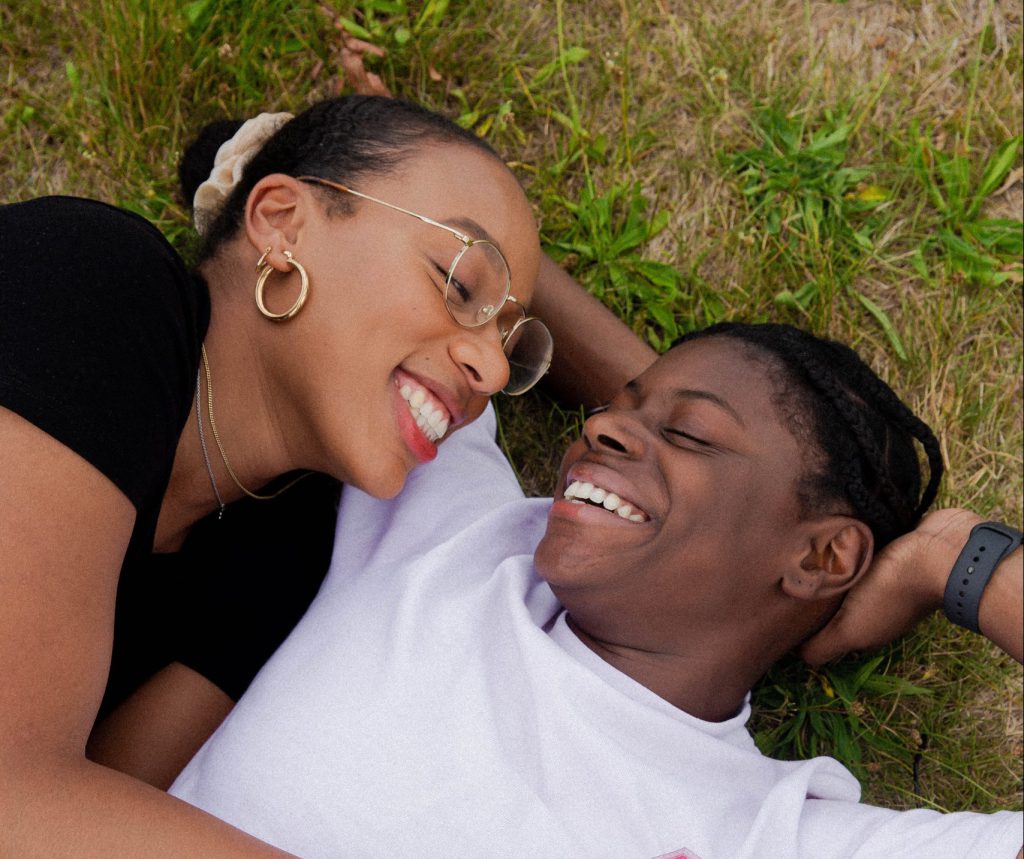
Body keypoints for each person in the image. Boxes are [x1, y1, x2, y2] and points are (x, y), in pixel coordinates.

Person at [0, 95, 655, 855]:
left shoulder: (289, 550)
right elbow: (17, 800)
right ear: (281, 222)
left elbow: (94, 809)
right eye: (459, 282)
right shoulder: (91, 288)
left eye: (512, 341)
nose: (492, 366)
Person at [171, 323, 1023, 858]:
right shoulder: (454, 525)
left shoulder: (762, 831)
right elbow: (393, 292)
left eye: (688, 432)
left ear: (824, 556)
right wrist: (509, 269)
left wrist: (960, 563)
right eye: (621, 407)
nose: (601, 426)